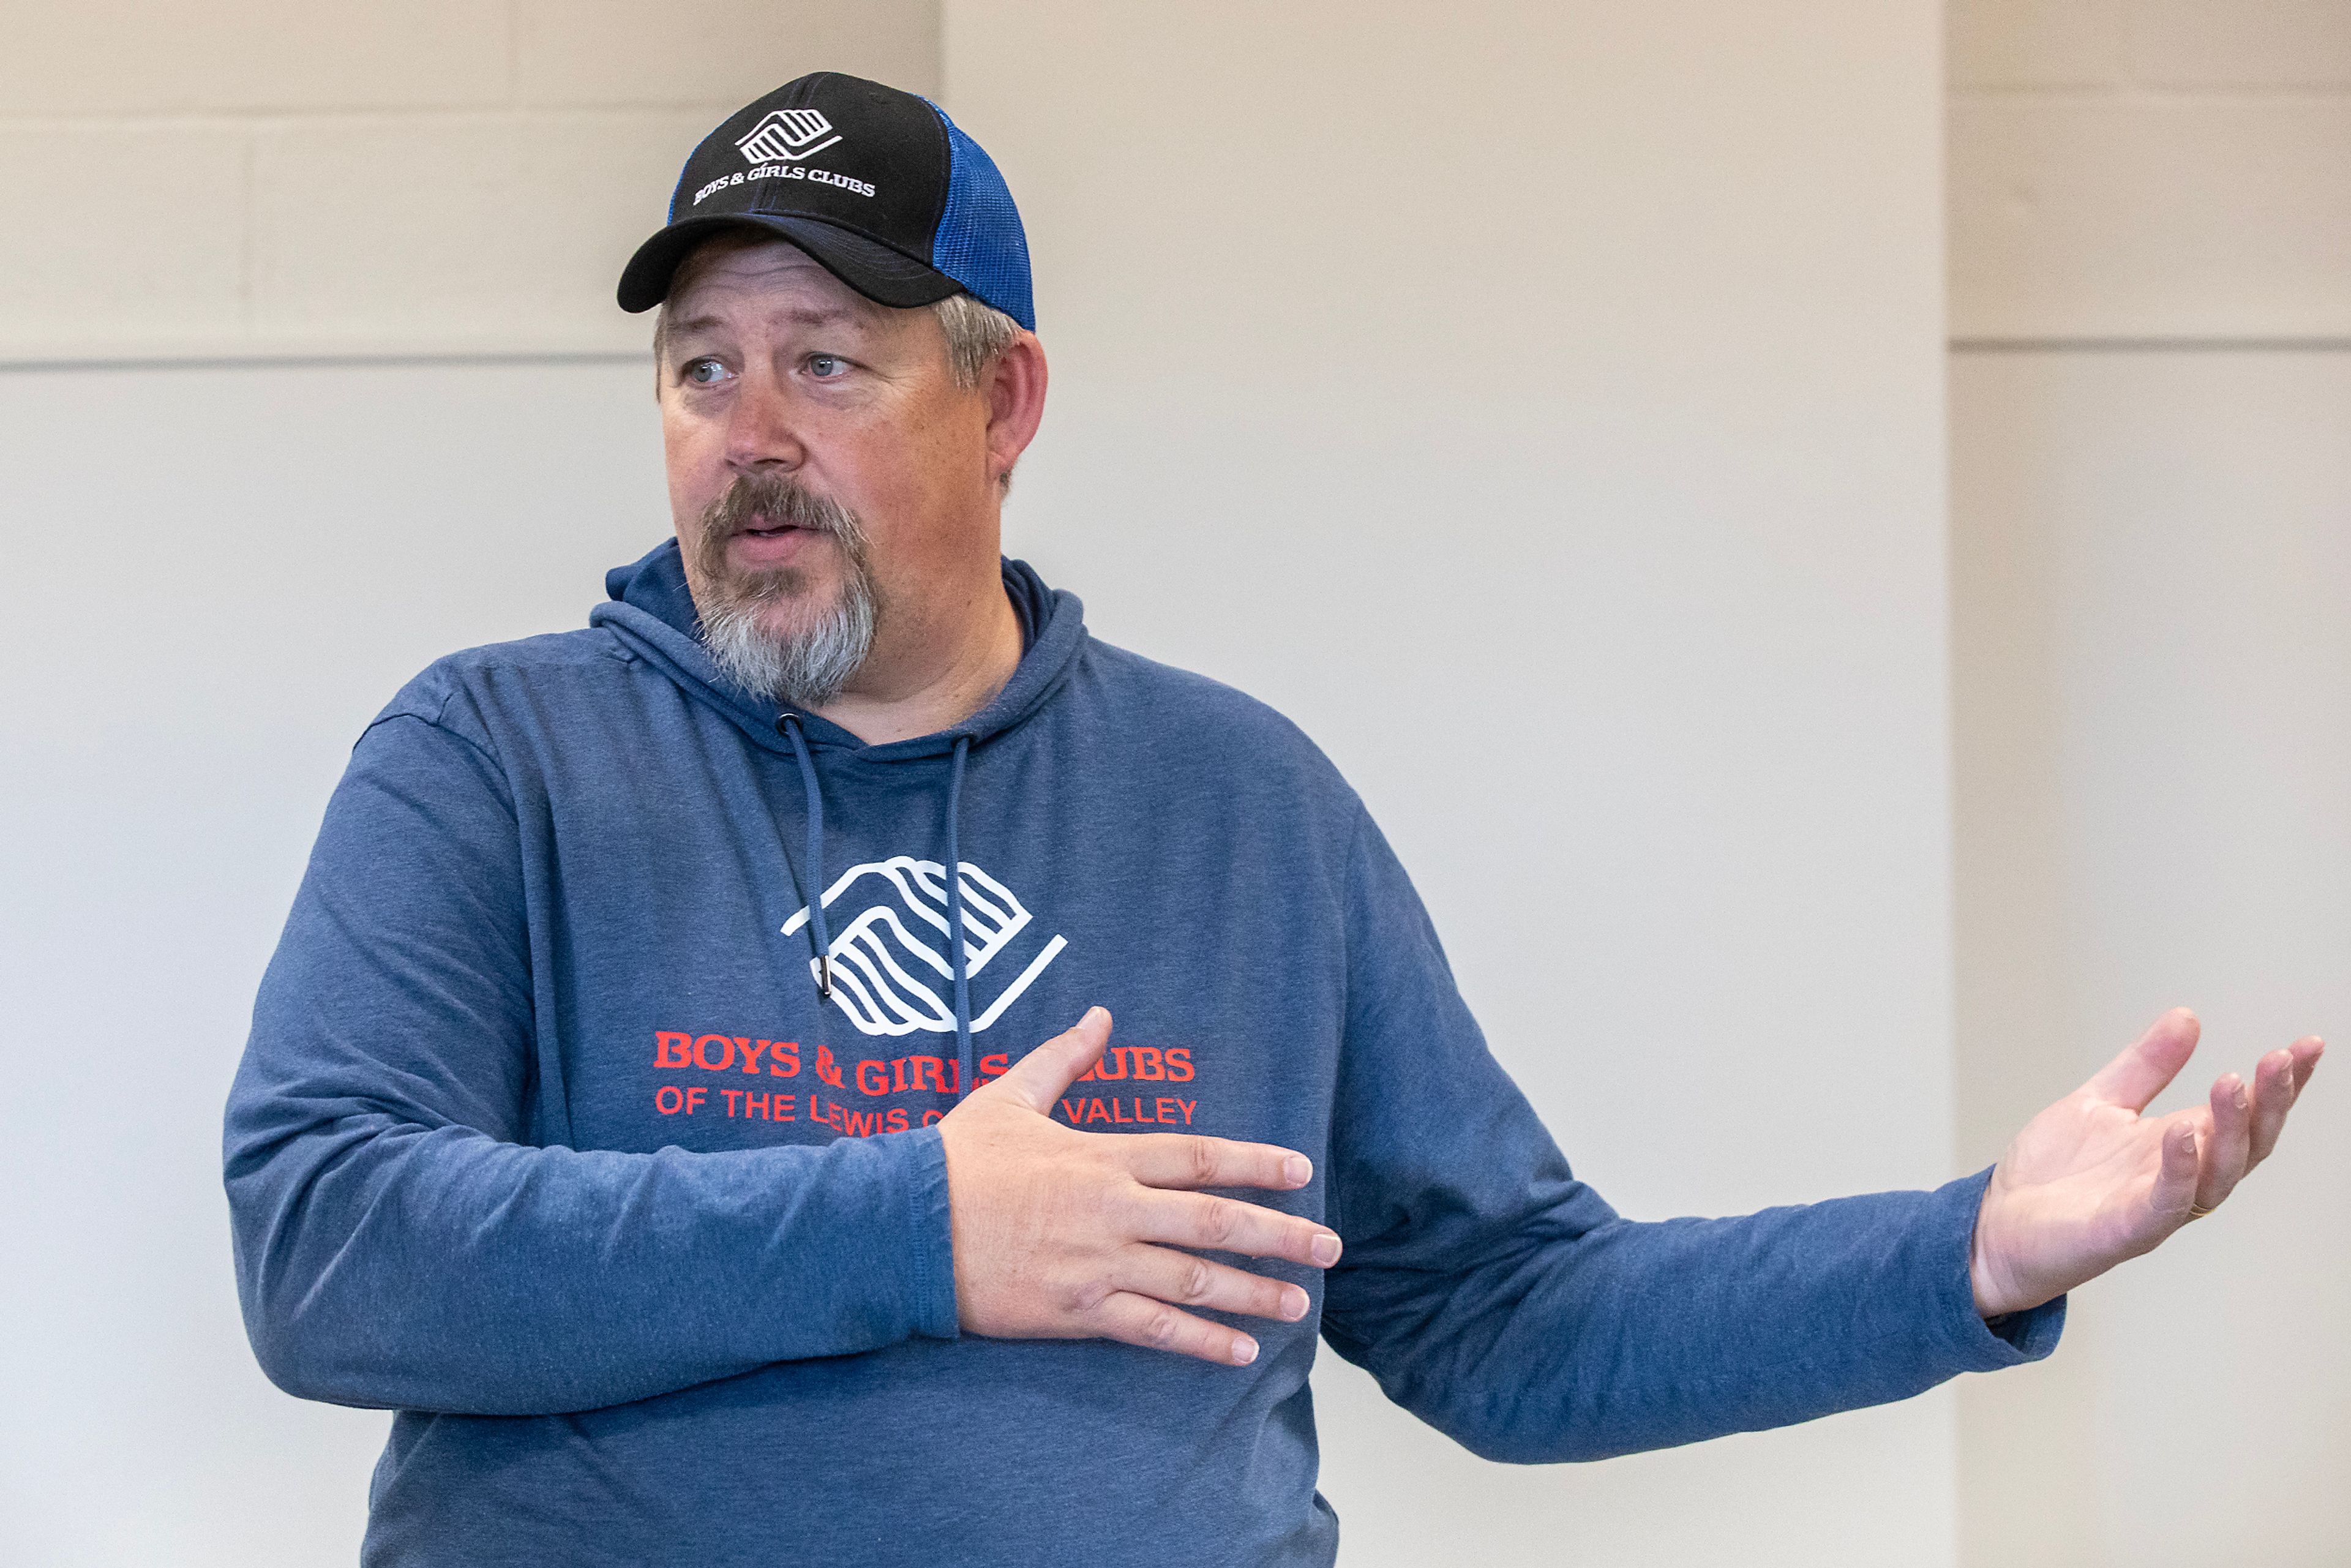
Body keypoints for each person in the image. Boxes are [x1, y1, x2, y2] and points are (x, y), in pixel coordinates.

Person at [223, 72, 2323, 1567]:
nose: (748, 444)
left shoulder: (1245, 809)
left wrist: (1958, 1250)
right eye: (701, 372)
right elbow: (327, 1249)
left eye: (827, 367)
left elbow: (1511, 1315)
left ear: (1004, 399)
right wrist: (920, 1227)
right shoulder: (496, 760)